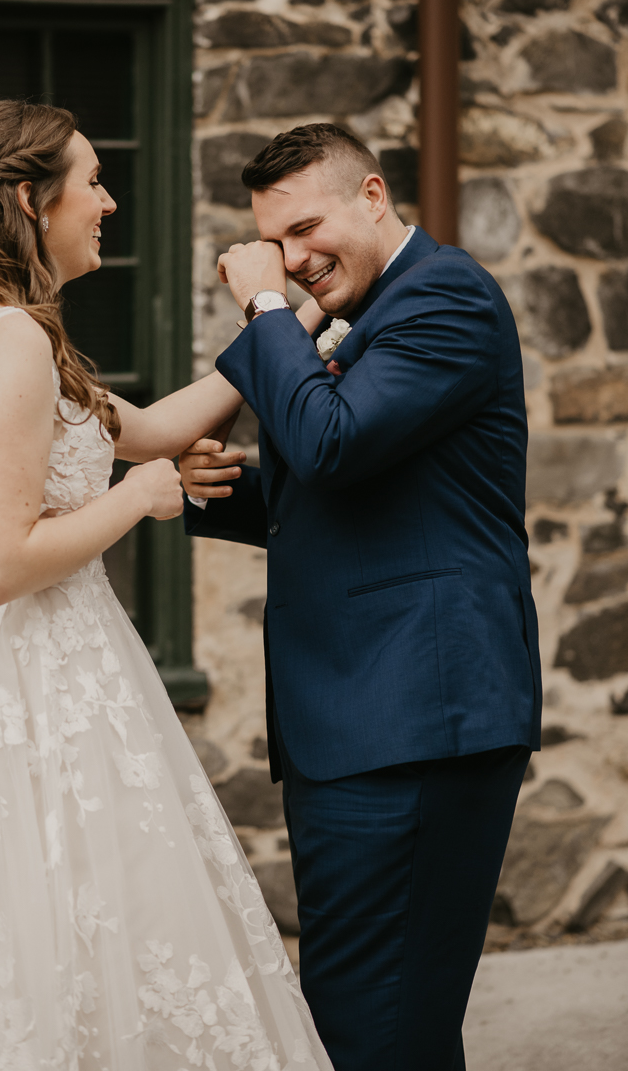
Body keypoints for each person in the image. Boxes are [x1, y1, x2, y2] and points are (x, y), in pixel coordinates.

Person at [0, 101, 333, 1071]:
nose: (108, 202)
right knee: (73, 923)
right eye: (94, 182)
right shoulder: (12, 345)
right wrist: (140, 499)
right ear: (32, 201)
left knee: (62, 936)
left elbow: (150, 427)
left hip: (37, 673)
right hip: (37, 685)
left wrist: (294, 316)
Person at [180, 123, 542, 1071]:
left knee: (373, 1027)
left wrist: (262, 301)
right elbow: (351, 492)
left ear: (373, 197)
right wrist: (197, 487)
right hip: (362, 723)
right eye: (276, 244)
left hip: (417, 718)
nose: (295, 263)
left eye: (304, 231)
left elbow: (332, 445)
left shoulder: (447, 296)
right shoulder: (380, 311)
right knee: (388, 1025)